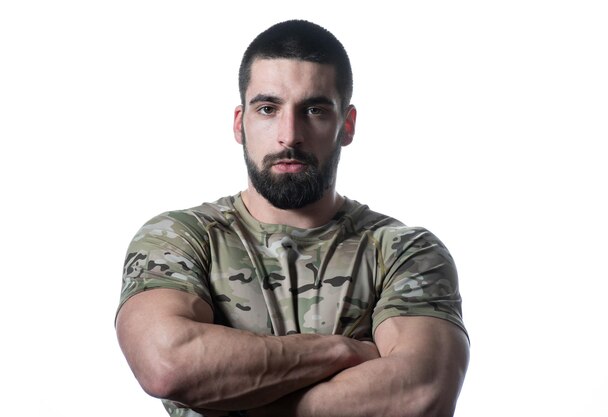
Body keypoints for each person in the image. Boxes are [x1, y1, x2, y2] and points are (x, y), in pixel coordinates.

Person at [115, 19, 469, 417]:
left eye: (314, 110)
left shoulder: (405, 251)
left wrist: (227, 392)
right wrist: (342, 351)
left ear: (346, 125)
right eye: (268, 108)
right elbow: (168, 367)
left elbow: (421, 395)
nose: (289, 135)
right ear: (239, 123)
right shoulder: (181, 237)